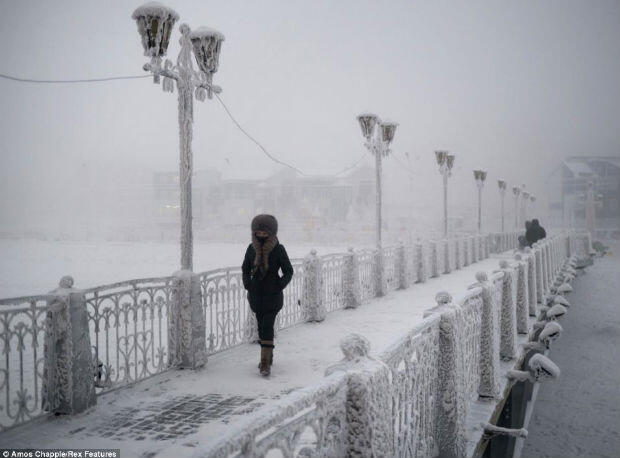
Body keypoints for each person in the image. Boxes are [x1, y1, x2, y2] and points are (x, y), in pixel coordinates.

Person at [242, 214, 294, 376]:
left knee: (267, 326)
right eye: (259, 233)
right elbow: (245, 268)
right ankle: (268, 356)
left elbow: (288, 271)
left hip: (272, 296)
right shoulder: (251, 249)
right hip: (256, 296)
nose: (262, 236)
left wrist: (278, 285)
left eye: (265, 233)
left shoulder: (279, 249)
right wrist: (248, 284)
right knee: (260, 327)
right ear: (254, 233)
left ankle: (264, 363)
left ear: (272, 233)